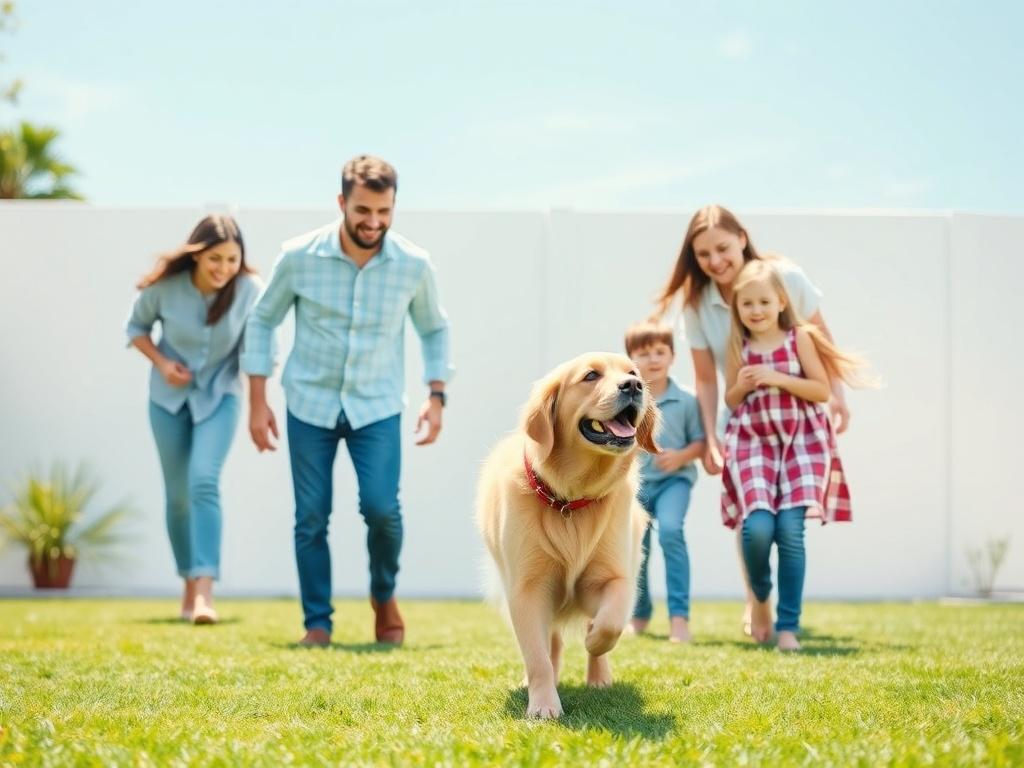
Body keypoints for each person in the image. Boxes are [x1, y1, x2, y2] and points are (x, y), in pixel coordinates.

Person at [242, 155, 452, 648]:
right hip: (308, 403)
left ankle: (383, 595)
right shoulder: (298, 257)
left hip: (376, 406)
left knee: (382, 509)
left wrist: (436, 395)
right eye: (362, 210)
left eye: (384, 211)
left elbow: (435, 329)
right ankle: (318, 623)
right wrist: (257, 398)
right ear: (341, 202)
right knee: (311, 516)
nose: (373, 223)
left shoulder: (413, 265)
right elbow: (261, 319)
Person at [653, 204, 849, 635]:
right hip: (742, 413)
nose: (716, 261)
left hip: (796, 415)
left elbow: (823, 341)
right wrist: (710, 437)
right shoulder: (699, 304)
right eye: (704, 255)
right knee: (751, 516)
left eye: (722, 248)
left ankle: (785, 617)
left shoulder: (786, 279)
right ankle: (757, 599)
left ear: (742, 237)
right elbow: (706, 379)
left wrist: (837, 397)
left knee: (789, 520)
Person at [721, 259, 872, 650]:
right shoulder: (739, 344)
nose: (756, 311)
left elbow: (821, 390)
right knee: (756, 528)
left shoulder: (799, 338)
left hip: (800, 440)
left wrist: (776, 378)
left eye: (764, 302)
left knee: (790, 531)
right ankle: (761, 592)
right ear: (737, 309)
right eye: (747, 304)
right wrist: (741, 384)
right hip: (754, 441)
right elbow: (731, 400)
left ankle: (788, 626)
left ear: (782, 302)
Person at [125, 214, 261, 625]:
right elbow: (135, 328)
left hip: (221, 397)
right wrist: (164, 364)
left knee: (203, 479)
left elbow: (257, 350)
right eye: (215, 259)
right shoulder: (165, 288)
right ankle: (188, 583)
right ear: (198, 255)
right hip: (167, 401)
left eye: (232, 260)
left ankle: (204, 593)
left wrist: (259, 406)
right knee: (178, 497)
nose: (223, 269)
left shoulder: (251, 291)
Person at [624, 321, 705, 643]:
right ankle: (639, 614)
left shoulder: (687, 399)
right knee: (635, 548)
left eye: (660, 352)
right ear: (630, 358)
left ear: (673, 355)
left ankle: (679, 620)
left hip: (675, 482)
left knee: (671, 532)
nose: (653, 359)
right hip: (638, 486)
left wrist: (683, 456)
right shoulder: (626, 399)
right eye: (644, 353)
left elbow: (702, 441)